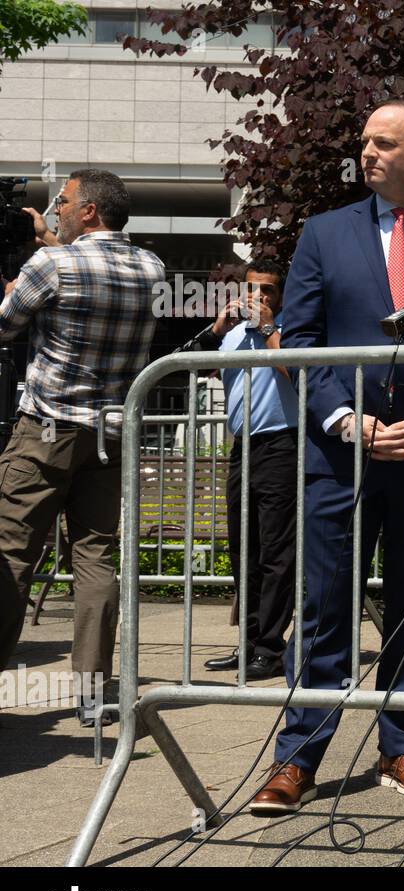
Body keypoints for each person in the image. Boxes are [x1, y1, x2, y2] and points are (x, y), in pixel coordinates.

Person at [250, 100, 404, 815]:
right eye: (364, 143)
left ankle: (403, 746)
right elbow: (300, 341)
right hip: (339, 454)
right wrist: (344, 417)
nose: (369, 153)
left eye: (386, 143)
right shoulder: (324, 234)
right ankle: (298, 757)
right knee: (323, 605)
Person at [0, 169, 165, 726]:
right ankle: (93, 694)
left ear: (89, 210)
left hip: (45, 432)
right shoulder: (152, 268)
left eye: (64, 202)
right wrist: (48, 243)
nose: (57, 211)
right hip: (109, 435)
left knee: (12, 552)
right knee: (95, 556)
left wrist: (22, 272)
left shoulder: (51, 265)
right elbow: (88, 274)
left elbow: (6, 323)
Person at [174, 259, 295, 681]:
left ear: (281, 296)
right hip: (242, 446)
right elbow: (181, 365)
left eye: (268, 290)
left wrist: (267, 329)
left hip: (283, 443)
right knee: (245, 545)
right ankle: (249, 642)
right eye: (253, 289)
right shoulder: (234, 335)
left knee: (277, 550)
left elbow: (295, 372)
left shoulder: (286, 330)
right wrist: (216, 329)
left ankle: (271, 646)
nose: (259, 297)